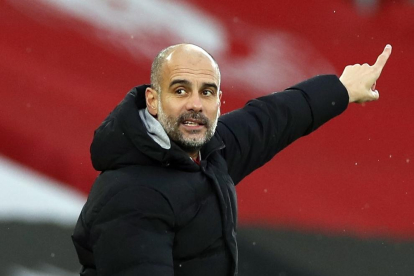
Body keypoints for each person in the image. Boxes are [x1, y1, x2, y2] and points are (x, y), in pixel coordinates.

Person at [72, 43, 392, 276]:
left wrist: (341, 90)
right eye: (181, 91)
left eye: (207, 92)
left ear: (220, 101)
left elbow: (270, 120)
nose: (196, 104)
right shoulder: (132, 198)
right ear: (153, 100)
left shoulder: (209, 150)